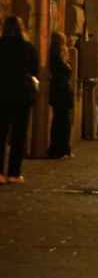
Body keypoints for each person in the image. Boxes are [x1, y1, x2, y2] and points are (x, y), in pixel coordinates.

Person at [0, 16, 39, 184]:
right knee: (19, 135)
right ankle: (14, 173)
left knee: (0, 134)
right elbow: (34, 69)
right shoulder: (28, 48)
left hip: (2, 94)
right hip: (22, 95)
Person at [47, 32, 74, 159]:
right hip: (61, 92)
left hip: (61, 91)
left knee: (62, 121)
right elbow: (65, 71)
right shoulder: (56, 56)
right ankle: (59, 149)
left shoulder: (59, 55)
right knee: (61, 121)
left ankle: (62, 149)